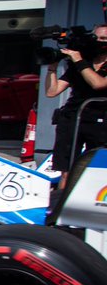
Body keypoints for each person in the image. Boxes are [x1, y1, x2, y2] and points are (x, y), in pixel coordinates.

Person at [45, 24, 107, 189]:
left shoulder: (81, 62)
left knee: (97, 165)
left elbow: (98, 84)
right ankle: (61, 204)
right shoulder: (80, 63)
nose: (99, 42)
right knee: (66, 170)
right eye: (97, 38)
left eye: (104, 39)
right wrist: (52, 68)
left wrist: (79, 60)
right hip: (73, 117)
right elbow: (52, 92)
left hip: (100, 119)